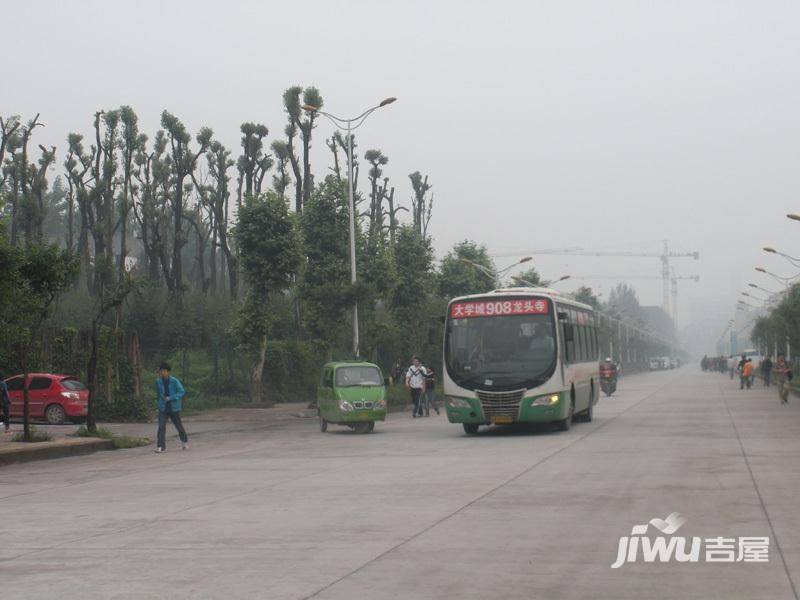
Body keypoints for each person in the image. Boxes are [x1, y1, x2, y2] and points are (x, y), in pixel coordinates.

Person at [155, 362, 189, 452]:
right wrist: (159, 404)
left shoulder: (174, 381)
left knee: (178, 426)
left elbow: (181, 391)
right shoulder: (158, 382)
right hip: (163, 408)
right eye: (160, 371)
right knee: (161, 426)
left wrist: (171, 398)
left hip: (174, 407)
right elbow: (158, 395)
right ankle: (161, 447)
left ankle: (184, 442)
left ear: (168, 372)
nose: (162, 373)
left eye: (163, 371)